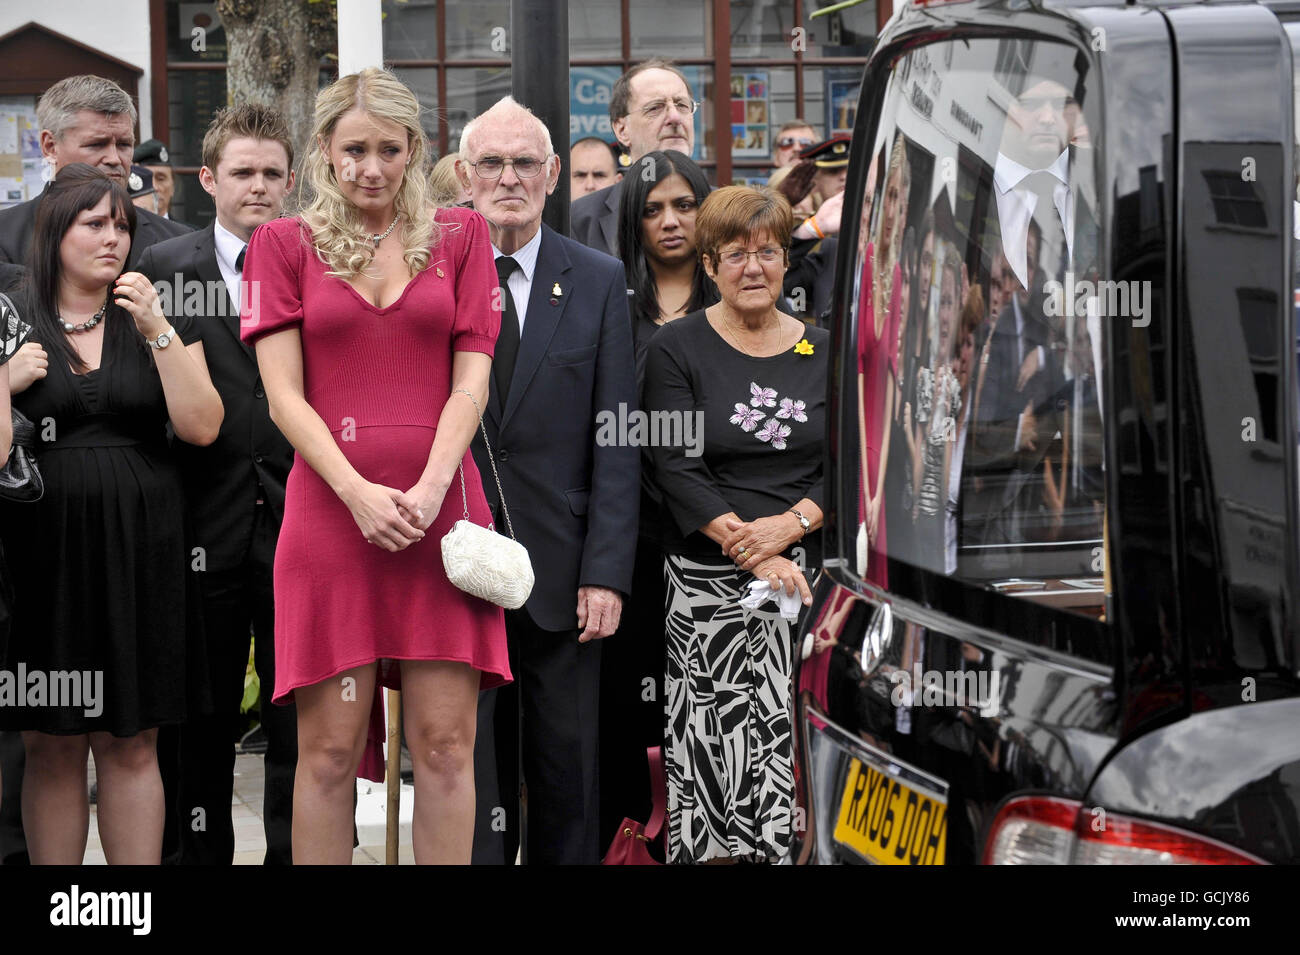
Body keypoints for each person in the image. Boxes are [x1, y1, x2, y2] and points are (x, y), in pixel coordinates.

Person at [239, 68, 510, 866]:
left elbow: (473, 379)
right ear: (325, 150)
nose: (370, 167)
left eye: (388, 149)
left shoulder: (463, 237)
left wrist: (429, 490)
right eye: (353, 148)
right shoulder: (281, 244)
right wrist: (357, 493)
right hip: (330, 520)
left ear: (413, 149)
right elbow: (283, 398)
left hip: (443, 517)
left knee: (445, 746)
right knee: (325, 753)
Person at [0, 163, 223, 864]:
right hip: (41, 553)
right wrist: (4, 380)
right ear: (54, 230)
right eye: (95, 223)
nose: (114, 239)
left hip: (143, 547)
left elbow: (202, 425)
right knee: (52, 739)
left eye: (122, 224)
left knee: (133, 737)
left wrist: (156, 326)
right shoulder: (11, 312)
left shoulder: (152, 308)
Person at [456, 96, 639, 865]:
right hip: (458, 562)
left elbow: (620, 436)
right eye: (491, 163)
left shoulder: (597, 278)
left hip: (566, 572)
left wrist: (606, 572)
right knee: (466, 768)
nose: (509, 177)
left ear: (554, 174)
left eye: (525, 162)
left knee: (567, 770)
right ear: (466, 175)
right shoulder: (432, 271)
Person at [136, 103, 299, 865]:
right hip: (199, 524)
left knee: (296, 719)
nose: (258, 186)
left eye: (272, 172)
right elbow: (146, 399)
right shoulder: (162, 272)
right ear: (209, 179)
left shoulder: (320, 263)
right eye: (243, 172)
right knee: (196, 726)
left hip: (303, 525)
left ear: (292, 178)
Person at [643, 185, 824, 863]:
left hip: (807, 582)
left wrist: (791, 526)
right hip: (706, 590)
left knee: (795, 747)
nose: (754, 267)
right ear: (710, 263)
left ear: (785, 261)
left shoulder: (823, 349)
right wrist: (756, 549)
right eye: (736, 254)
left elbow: (848, 462)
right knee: (715, 755)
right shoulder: (674, 349)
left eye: (768, 252)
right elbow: (675, 466)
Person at [600, 148, 716, 844]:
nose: (670, 221)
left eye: (684, 204)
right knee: (630, 716)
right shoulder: (609, 304)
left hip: (725, 545)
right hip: (636, 542)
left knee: (711, 716)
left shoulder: (745, 293)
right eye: (653, 209)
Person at [0, 75, 191, 269]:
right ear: (50, 146)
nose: (115, 159)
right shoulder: (5, 238)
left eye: (124, 145)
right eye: (96, 145)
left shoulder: (177, 243)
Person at [570, 59, 696, 256]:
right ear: (622, 130)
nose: (674, 117)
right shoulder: (580, 220)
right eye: (655, 108)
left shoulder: (726, 211)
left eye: (682, 105)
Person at [134, 139, 179, 221]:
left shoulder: (189, 232)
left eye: (161, 179)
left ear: (173, 187)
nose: (154, 187)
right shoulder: (123, 232)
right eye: (146, 179)